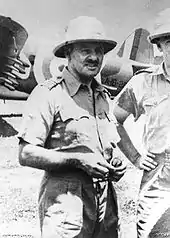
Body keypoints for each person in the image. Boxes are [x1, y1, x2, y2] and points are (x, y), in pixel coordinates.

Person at [18, 16, 126, 238]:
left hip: (106, 207)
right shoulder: (48, 94)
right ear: (67, 53)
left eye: (99, 51)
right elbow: (26, 153)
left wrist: (115, 161)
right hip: (67, 207)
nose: (94, 57)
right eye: (86, 50)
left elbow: (106, 145)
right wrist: (77, 159)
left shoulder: (103, 95)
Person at [113, 9, 170, 238]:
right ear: (159, 47)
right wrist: (135, 157)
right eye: (169, 42)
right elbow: (113, 120)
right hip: (158, 180)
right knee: (151, 234)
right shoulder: (142, 83)